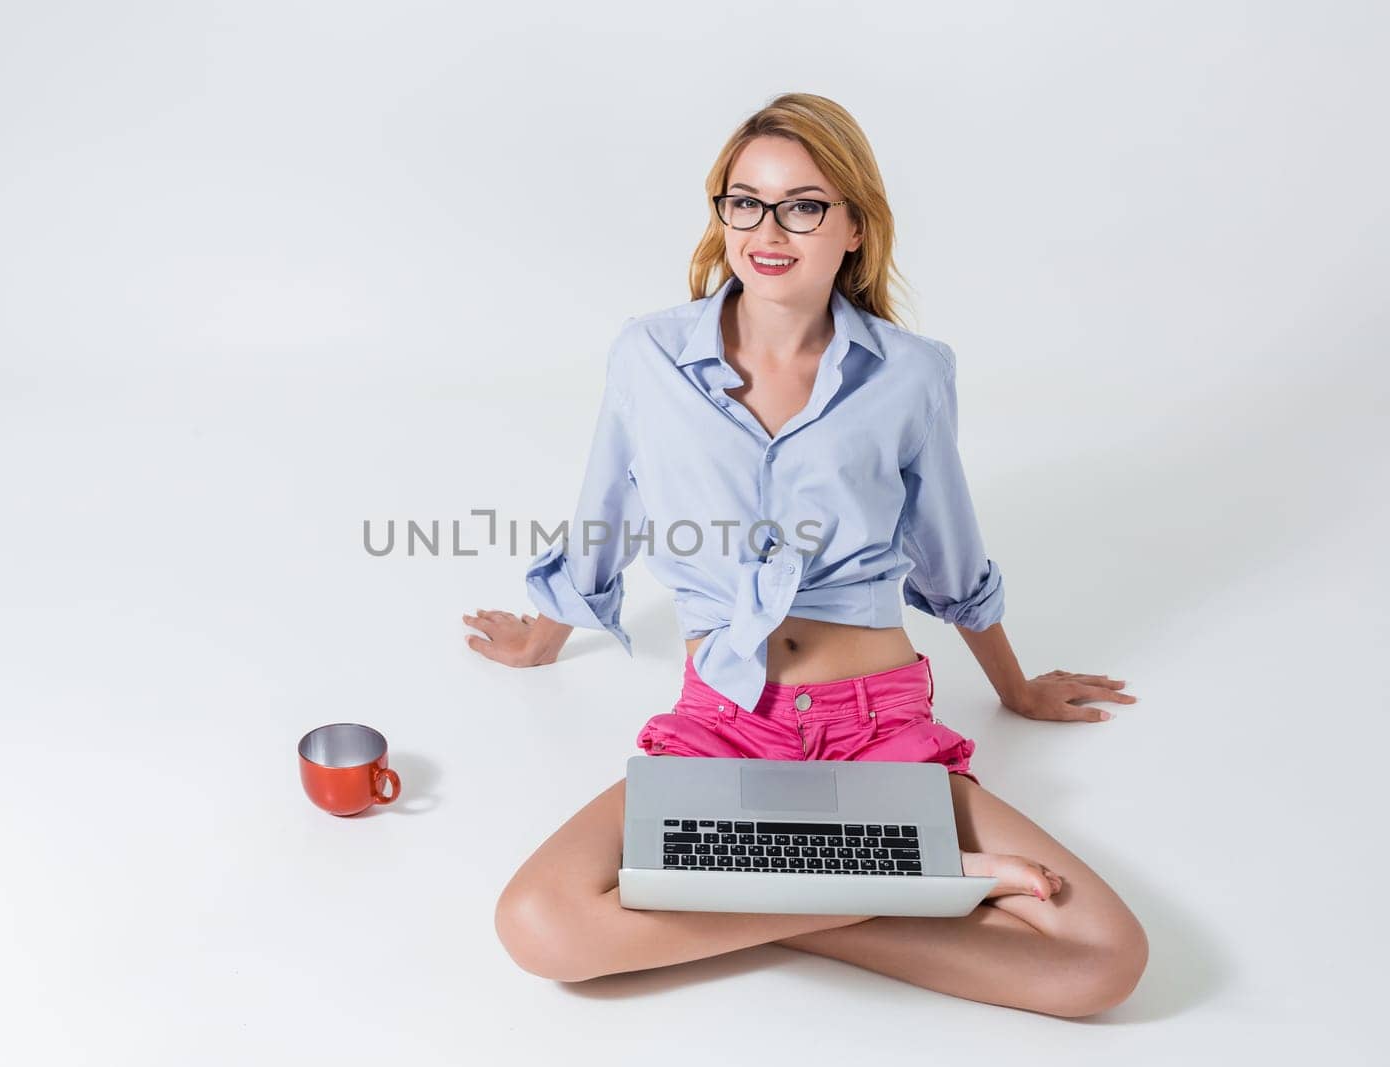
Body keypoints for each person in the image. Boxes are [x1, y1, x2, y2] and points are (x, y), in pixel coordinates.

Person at [462, 93, 1147, 1017]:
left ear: (854, 226)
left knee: (1103, 958)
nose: (767, 229)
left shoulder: (911, 373)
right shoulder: (648, 357)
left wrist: (1015, 687)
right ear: (721, 215)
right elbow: (605, 515)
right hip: (724, 719)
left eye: (803, 204)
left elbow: (948, 552)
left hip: (876, 723)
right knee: (539, 926)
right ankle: (892, 881)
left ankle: (756, 888)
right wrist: (543, 638)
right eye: (743, 202)